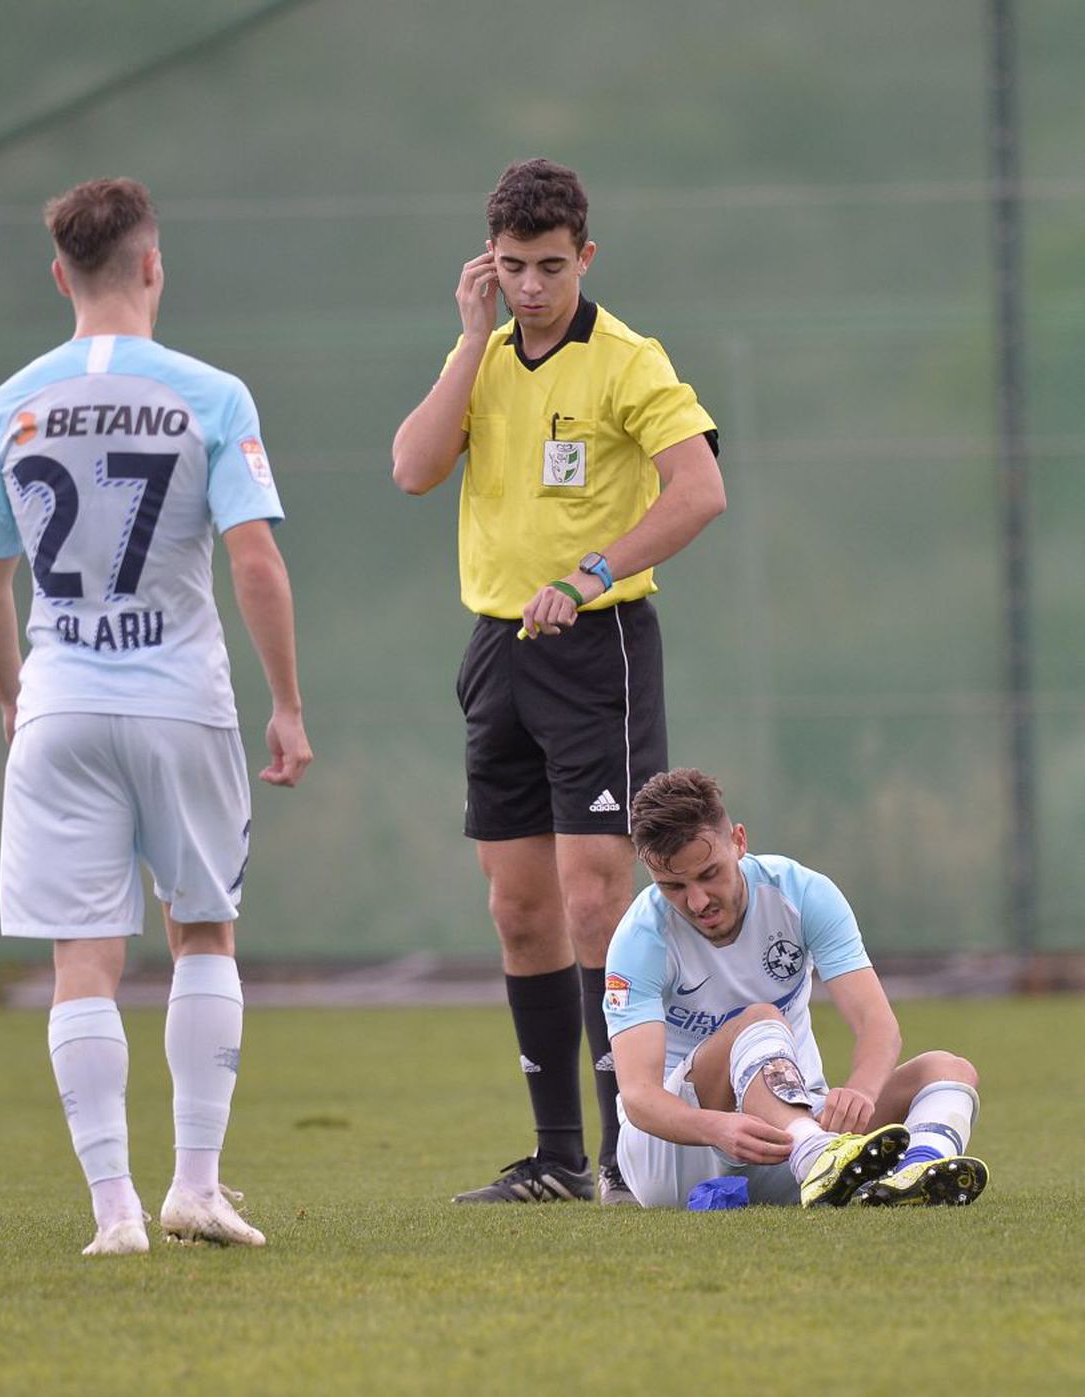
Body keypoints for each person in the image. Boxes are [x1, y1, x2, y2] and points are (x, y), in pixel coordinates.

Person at [0, 178, 312, 1255]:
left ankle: (113, 1211)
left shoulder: (6, 403)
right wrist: (287, 702)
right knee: (202, 929)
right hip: (181, 707)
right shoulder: (213, 394)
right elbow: (255, 559)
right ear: (153, 266)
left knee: (83, 955)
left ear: (61, 275)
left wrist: (20, 700)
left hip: (61, 704)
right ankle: (193, 1186)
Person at [392, 159, 726, 1204]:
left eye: (548, 266)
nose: (530, 287)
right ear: (487, 264)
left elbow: (700, 489)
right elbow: (411, 467)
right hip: (496, 655)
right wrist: (463, 338)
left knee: (596, 894)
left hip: (599, 648)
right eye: (510, 268)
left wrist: (590, 573)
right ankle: (558, 1157)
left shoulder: (628, 359)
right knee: (520, 906)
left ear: (585, 256)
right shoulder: (483, 356)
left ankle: (634, 1151)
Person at [605, 767, 989, 1208]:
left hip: (794, 1139)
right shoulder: (640, 938)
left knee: (947, 1069)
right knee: (761, 1018)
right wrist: (717, 1126)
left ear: (740, 842)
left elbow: (878, 1026)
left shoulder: (803, 893)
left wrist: (860, 1093)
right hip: (679, 1158)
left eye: (709, 874)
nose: (697, 901)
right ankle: (819, 1156)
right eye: (673, 886)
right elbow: (638, 1097)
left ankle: (915, 1175)